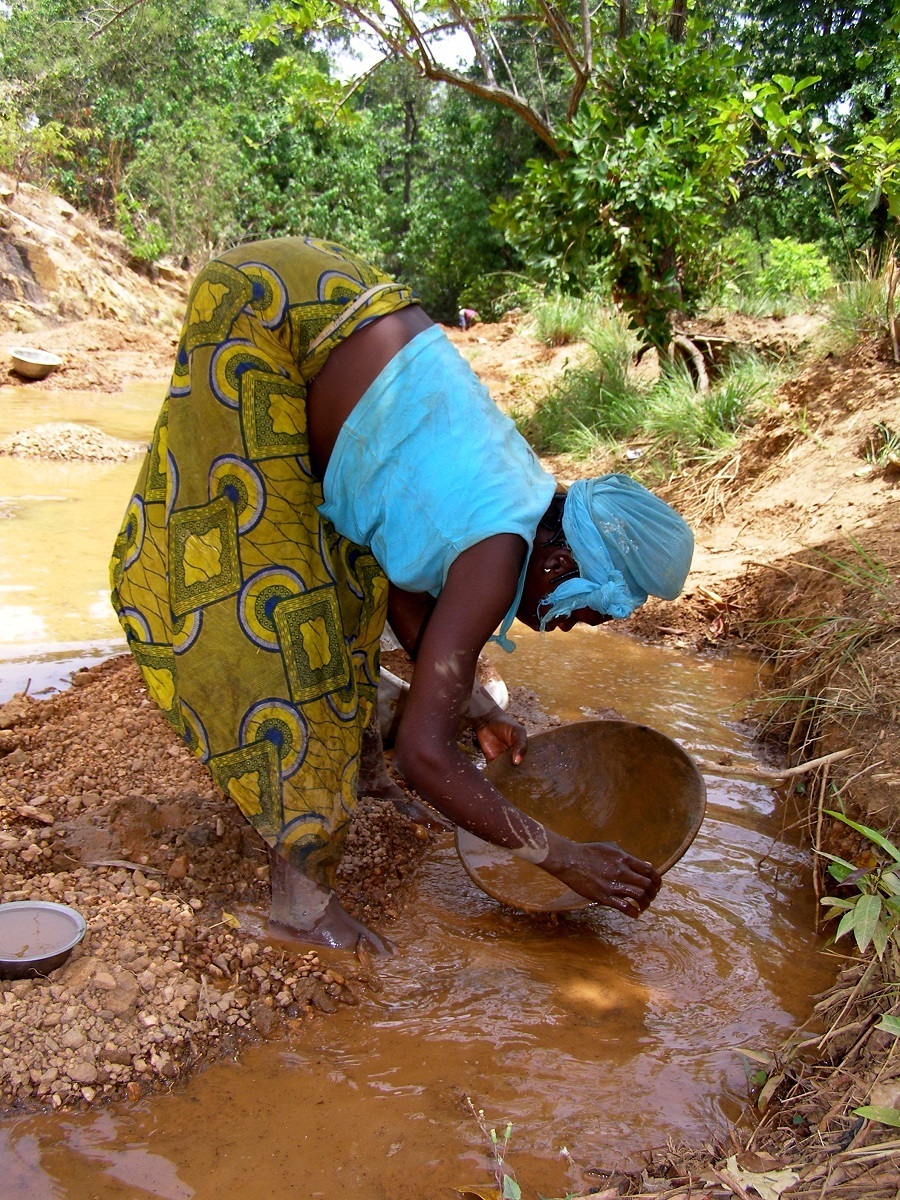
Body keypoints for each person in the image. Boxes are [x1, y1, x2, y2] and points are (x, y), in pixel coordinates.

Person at [110, 236, 694, 952]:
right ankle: (298, 910)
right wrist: (563, 856)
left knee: (350, 583)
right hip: (268, 312)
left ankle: (359, 776)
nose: (575, 625)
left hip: (326, 291)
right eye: (590, 605)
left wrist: (473, 706)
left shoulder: (514, 501)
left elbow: (401, 584)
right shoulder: (496, 555)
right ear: (566, 556)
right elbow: (428, 756)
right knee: (294, 620)